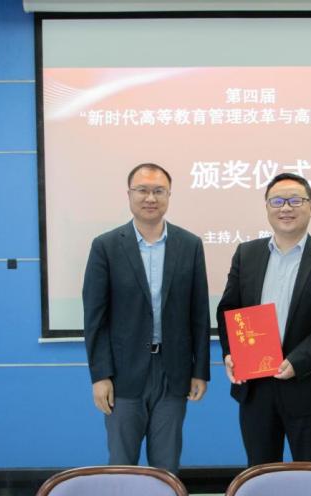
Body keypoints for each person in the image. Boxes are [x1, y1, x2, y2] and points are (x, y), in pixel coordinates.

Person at [217, 172, 311, 466]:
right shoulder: (246, 254)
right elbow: (229, 310)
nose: (286, 208)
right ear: (267, 207)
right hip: (256, 389)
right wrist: (230, 353)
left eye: (295, 200)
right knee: (261, 473)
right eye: (277, 201)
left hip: (308, 386)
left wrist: (297, 362)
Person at [82, 163, 210, 474]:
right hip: (122, 375)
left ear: (169, 196)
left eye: (158, 191)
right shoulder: (106, 246)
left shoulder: (189, 244)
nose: (150, 198)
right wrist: (100, 376)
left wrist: (200, 371)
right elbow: (95, 318)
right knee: (122, 465)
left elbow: (199, 313)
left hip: (173, 373)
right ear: (129, 194)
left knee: (166, 466)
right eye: (142, 190)